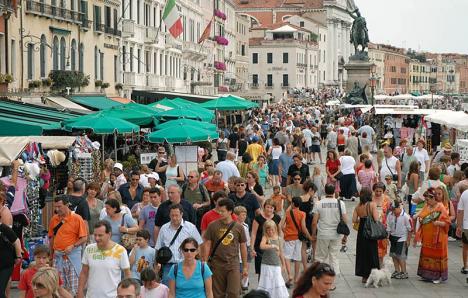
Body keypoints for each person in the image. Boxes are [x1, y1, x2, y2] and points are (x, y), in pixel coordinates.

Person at [203, 198, 248, 298]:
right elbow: (207, 244)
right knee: (217, 294)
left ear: (230, 211)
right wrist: (205, 263)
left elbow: (243, 247)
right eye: (219, 210)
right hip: (216, 264)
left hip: (233, 264)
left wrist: (245, 266)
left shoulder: (238, 227)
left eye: (222, 211)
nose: (220, 213)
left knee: (234, 292)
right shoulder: (212, 226)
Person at [78, 220, 131, 298]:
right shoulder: (88, 249)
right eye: (95, 235)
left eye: (100, 235)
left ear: (109, 234)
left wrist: (124, 294)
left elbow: (127, 275)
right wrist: (80, 291)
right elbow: (84, 273)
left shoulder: (120, 251)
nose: (96, 238)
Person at [48, 195, 87, 296]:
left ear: (67, 205)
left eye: (59, 206)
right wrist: (51, 257)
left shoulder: (77, 218)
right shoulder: (54, 219)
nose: (57, 209)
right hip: (58, 257)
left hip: (72, 257)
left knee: (76, 288)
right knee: (58, 288)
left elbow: (84, 238)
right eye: (55, 206)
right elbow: (51, 239)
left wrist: (72, 246)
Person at [155, 204, 203, 285]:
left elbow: (199, 245)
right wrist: (156, 265)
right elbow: (158, 247)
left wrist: (199, 262)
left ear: (181, 214)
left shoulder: (190, 227)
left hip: (187, 265)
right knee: (168, 290)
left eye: (176, 215)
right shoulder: (164, 228)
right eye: (172, 215)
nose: (174, 218)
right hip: (168, 266)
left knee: (186, 289)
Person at [414, 188, 451, 284]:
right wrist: (420, 220)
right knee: (426, 254)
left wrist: (439, 223)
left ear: (433, 198)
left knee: (437, 256)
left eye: (428, 199)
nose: (426, 201)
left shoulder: (440, 207)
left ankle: (438, 276)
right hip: (427, 236)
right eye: (426, 199)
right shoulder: (427, 206)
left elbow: (447, 222)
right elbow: (422, 216)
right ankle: (426, 275)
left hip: (438, 237)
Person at [312, 184, 347, 278]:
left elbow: (314, 222)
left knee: (320, 257)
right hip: (335, 234)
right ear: (334, 191)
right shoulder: (340, 203)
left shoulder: (318, 203)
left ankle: (320, 276)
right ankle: (332, 279)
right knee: (334, 257)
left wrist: (313, 234)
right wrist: (345, 236)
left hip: (323, 233)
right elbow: (345, 220)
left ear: (324, 191)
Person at [281, 196, 312, 287]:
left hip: (289, 238)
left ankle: (289, 275)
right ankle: (296, 278)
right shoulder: (302, 214)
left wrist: (285, 232)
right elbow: (303, 227)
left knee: (287, 257)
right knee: (297, 258)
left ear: (293, 204)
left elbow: (280, 225)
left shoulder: (287, 213)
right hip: (298, 239)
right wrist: (310, 237)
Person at [352, 188, 380, 283]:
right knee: (372, 252)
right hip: (370, 230)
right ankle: (374, 275)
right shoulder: (372, 205)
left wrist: (362, 219)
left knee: (362, 252)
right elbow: (376, 219)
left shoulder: (358, 206)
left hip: (361, 231)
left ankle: (364, 276)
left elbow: (354, 220)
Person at [257, 220, 289, 298]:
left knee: (278, 281)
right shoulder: (265, 237)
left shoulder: (279, 239)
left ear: (275, 229)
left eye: (272, 229)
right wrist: (272, 246)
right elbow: (261, 246)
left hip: (276, 265)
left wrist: (283, 265)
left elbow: (281, 253)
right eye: (268, 229)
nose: (270, 231)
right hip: (266, 265)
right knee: (267, 283)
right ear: (265, 230)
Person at [250, 199, 281, 277]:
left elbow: (279, 233)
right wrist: (252, 248)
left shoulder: (277, 218)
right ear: (264, 207)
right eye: (268, 207)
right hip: (260, 248)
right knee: (262, 271)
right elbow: (253, 234)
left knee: (273, 270)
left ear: (274, 209)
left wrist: (280, 246)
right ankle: (262, 288)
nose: (269, 209)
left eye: (271, 208)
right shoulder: (258, 218)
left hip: (273, 248)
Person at [386, 200, 412, 279]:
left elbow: (410, 229)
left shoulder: (405, 217)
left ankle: (404, 272)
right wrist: (387, 237)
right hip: (393, 237)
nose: (393, 211)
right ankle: (397, 270)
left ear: (399, 208)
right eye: (392, 209)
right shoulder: (390, 215)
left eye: (394, 209)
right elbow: (388, 227)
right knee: (394, 255)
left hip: (402, 238)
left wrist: (408, 240)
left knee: (400, 256)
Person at [0, 222, 22, 298]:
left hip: (6, 265)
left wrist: (18, 256)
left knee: (0, 291)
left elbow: (16, 241)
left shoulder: (3, 228)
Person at [372, 182, 391, 266]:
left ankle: (380, 265)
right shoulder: (370, 199)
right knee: (373, 248)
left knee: (382, 248)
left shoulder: (387, 199)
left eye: (380, 191)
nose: (378, 193)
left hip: (383, 227)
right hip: (372, 227)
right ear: (373, 190)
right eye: (376, 191)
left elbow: (390, 213)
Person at [456, 187, 468, 274]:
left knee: (465, 247)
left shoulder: (465, 193)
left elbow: (460, 211)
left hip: (466, 225)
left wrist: (459, 226)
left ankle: (466, 267)